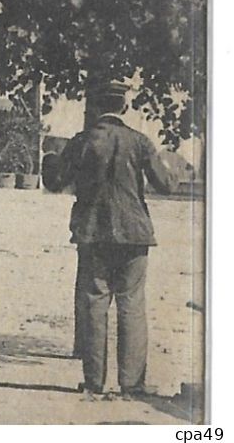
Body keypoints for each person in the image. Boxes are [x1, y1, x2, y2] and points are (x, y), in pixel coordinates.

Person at [45, 83, 177, 398]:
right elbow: (167, 185)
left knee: (94, 302)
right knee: (132, 305)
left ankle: (94, 382)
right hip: (135, 235)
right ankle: (132, 384)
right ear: (124, 107)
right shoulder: (140, 142)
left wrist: (50, 155)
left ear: (94, 106)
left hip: (94, 233)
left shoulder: (81, 142)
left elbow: (54, 181)